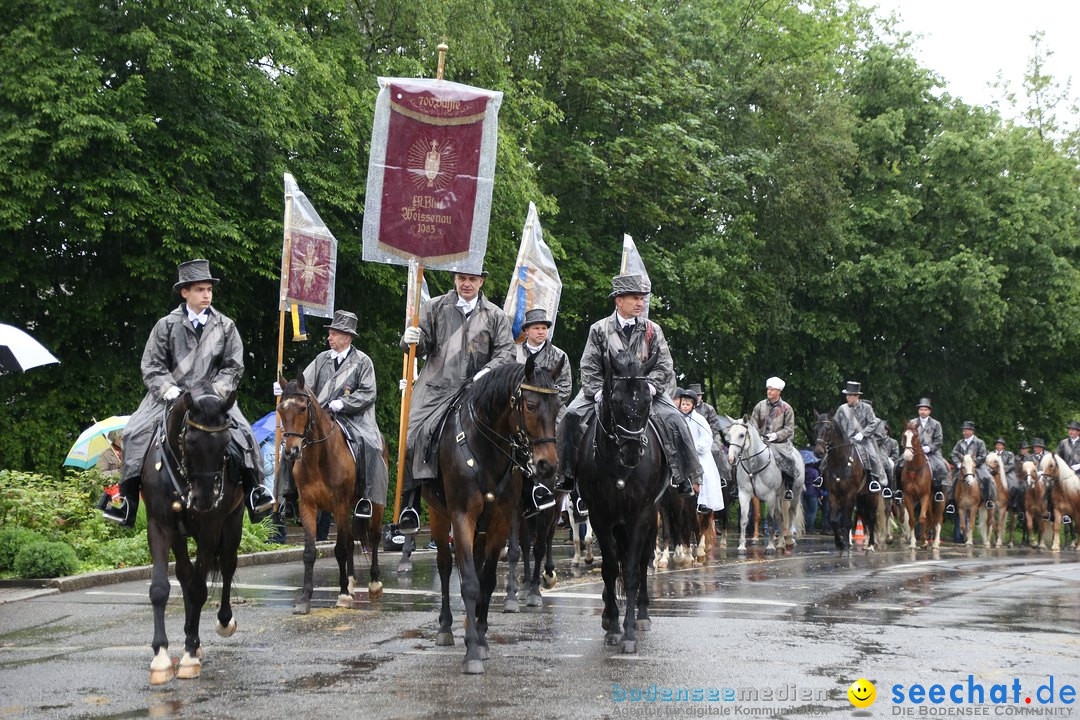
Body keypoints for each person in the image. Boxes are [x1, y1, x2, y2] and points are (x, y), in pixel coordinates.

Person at [98, 259, 274, 527]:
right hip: (168, 396)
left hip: (213, 399)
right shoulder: (166, 325)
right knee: (134, 432)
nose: (207, 295)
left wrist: (215, 393)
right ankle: (127, 502)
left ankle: (255, 492)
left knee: (245, 434)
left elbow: (233, 366)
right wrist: (167, 388)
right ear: (185, 292)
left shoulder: (226, 326)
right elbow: (152, 364)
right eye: (200, 290)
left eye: (209, 290)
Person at [555, 273, 701, 502]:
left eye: (642, 298)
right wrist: (598, 392)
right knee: (570, 416)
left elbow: (664, 364)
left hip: (645, 392)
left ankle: (683, 475)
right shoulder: (599, 329)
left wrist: (651, 387)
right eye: (635, 298)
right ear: (619, 300)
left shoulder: (653, 330)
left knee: (675, 419)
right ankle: (566, 475)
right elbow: (589, 365)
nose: (641, 303)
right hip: (607, 391)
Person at [397, 270, 515, 534]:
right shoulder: (435, 306)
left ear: (482, 281)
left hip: (478, 391)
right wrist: (410, 338)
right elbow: (420, 345)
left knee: (517, 433)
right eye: (462, 278)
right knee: (412, 436)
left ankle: (518, 497)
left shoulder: (495, 315)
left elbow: (507, 352)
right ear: (455, 279)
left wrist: (486, 374)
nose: (467, 283)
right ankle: (411, 502)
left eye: (472, 279)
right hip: (436, 389)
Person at [273, 310, 388, 520]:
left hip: (355, 418)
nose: (329, 337)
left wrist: (343, 403)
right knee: (290, 442)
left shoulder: (363, 361)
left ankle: (366, 497)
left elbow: (368, 393)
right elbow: (303, 387)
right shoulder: (321, 359)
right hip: (322, 416)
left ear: (348, 337)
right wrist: (286, 390)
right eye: (330, 333)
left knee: (370, 445)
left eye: (334, 333)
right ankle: (287, 498)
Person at [514, 307, 571, 514]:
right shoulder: (513, 353)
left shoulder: (559, 355)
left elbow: (565, 387)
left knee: (575, 429)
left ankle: (574, 490)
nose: (541, 332)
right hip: (521, 410)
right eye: (536, 328)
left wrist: (547, 404)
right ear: (526, 331)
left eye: (544, 328)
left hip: (551, 410)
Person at [748, 377, 803, 500]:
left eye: (772, 390)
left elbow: (789, 429)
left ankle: (788, 487)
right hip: (761, 441)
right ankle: (740, 485)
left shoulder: (787, 408)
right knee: (744, 456)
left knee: (789, 459)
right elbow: (753, 423)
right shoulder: (759, 406)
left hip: (780, 443)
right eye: (768, 389)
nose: (769, 392)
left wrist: (776, 435)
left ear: (779, 392)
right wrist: (758, 436)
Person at [674, 388, 725, 515]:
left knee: (705, 474)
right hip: (680, 453)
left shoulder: (700, 419)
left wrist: (694, 447)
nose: (685, 407)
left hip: (698, 454)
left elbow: (707, 437)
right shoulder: (676, 418)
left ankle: (703, 502)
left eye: (687, 404)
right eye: (683, 404)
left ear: (693, 406)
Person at [832, 381, 887, 494]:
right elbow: (835, 425)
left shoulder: (866, 408)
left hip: (864, 441)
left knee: (873, 457)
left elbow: (873, 423)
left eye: (850, 395)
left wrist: (863, 433)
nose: (847, 397)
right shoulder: (842, 409)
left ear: (857, 396)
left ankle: (874, 481)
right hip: (845, 442)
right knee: (828, 455)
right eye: (847, 395)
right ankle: (822, 478)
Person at [949, 421, 995, 511]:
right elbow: (954, 454)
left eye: (965, 430)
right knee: (953, 479)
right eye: (963, 431)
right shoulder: (959, 442)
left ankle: (989, 500)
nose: (964, 432)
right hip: (963, 467)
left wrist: (973, 463)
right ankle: (951, 502)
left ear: (971, 431)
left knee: (988, 478)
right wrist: (958, 463)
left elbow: (983, 455)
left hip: (977, 466)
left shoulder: (979, 442)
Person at [993, 437, 1022, 517]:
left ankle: (1012, 503)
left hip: (1007, 473)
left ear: (1003, 446)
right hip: (993, 473)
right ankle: (985, 501)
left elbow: (1011, 465)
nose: (999, 446)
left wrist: (1001, 470)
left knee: (1015, 485)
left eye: (1000, 445)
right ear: (995, 446)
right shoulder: (991, 454)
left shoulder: (1009, 454)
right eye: (997, 445)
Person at [880, 422, 900, 500]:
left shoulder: (893, 442)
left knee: (890, 466)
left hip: (889, 460)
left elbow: (895, 455)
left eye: (883, 429)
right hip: (877, 460)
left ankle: (889, 489)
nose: (881, 431)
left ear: (887, 430)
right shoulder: (875, 440)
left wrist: (887, 459)